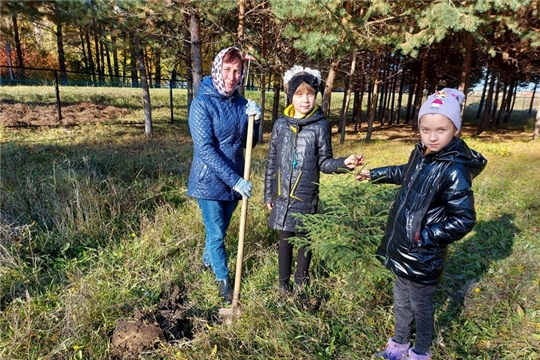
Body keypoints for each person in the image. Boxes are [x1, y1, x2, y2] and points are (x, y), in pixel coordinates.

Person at [356, 88, 487, 360]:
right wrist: (376, 174)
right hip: (403, 248)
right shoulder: (422, 154)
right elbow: (405, 173)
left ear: (455, 130)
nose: (433, 136)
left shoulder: (454, 169)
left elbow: (463, 218)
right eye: (426, 130)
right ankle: (399, 343)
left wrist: (423, 236)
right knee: (401, 300)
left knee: (421, 306)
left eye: (441, 129)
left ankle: (420, 351)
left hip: (423, 254)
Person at [264, 65, 364, 293]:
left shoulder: (320, 126)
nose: (305, 100)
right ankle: (283, 285)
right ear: (290, 96)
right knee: (285, 241)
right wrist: (269, 193)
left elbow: (324, 162)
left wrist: (343, 164)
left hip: (305, 197)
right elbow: (271, 162)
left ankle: (301, 283)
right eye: (299, 95)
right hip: (283, 195)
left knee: (303, 241)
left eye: (310, 93)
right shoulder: (280, 125)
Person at [187, 47, 261, 304]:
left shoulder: (241, 104)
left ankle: (207, 262)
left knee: (219, 230)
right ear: (218, 69)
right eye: (227, 69)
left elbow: (251, 143)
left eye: (237, 71)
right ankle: (223, 281)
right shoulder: (202, 103)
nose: (231, 76)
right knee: (217, 233)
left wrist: (256, 120)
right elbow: (205, 149)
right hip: (208, 181)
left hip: (233, 182)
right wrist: (236, 180)